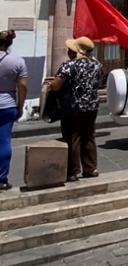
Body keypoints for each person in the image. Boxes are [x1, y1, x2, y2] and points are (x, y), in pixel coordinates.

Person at [49, 37, 103, 181]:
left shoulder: (68, 65)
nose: (68, 51)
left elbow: (56, 86)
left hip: (73, 107)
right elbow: (98, 82)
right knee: (89, 136)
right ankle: (90, 169)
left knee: (73, 137)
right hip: (92, 106)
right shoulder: (97, 65)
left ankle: (72, 172)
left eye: (71, 49)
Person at [0, 31, 27, 191]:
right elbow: (22, 85)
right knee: (3, 141)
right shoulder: (17, 61)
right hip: (7, 104)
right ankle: (1, 179)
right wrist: (20, 105)